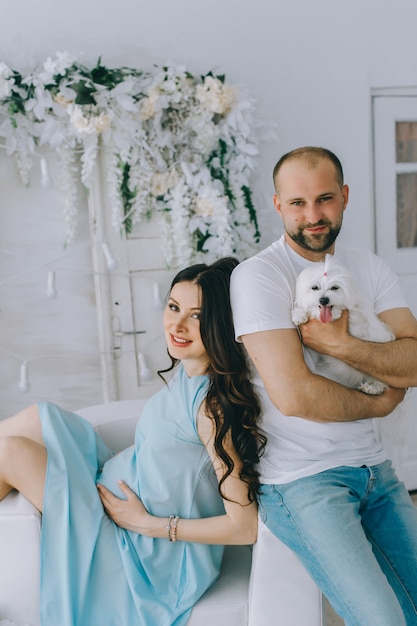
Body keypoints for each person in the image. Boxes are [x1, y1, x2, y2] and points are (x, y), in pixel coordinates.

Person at [0, 257, 266, 626]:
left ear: (221, 323)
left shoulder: (213, 408)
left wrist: (151, 525)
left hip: (140, 551)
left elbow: (245, 526)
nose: (177, 324)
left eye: (197, 316)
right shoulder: (190, 375)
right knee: (39, 416)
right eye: (174, 307)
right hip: (114, 493)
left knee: (9, 453)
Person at [230, 147, 417, 626]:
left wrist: (340, 345)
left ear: (345, 197)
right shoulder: (260, 276)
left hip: (374, 468)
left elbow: (414, 363)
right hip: (304, 480)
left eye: (325, 199)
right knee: (383, 619)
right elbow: (296, 397)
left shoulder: (368, 267)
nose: (312, 215)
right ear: (277, 205)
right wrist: (380, 402)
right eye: (297, 203)